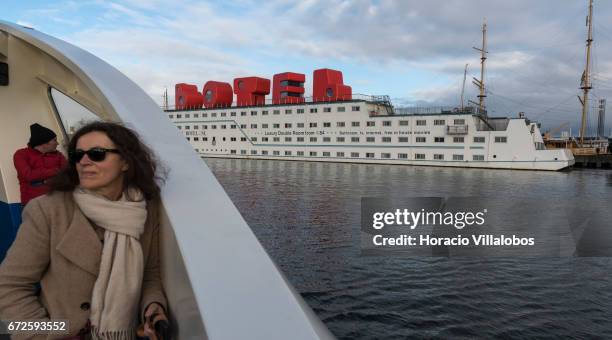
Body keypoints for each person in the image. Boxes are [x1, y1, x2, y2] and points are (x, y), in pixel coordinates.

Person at [0, 121, 169, 340]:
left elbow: (149, 275)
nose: (84, 161)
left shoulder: (145, 210)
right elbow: (9, 285)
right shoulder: (48, 210)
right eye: (77, 155)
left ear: (126, 162)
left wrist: (152, 306)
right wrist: (46, 334)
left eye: (97, 154)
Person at [13, 123, 67, 206]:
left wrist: (42, 179)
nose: (57, 143)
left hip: (58, 201)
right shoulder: (21, 154)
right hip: (33, 203)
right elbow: (28, 175)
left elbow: (67, 173)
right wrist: (55, 171)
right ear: (44, 143)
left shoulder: (58, 155)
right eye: (54, 140)